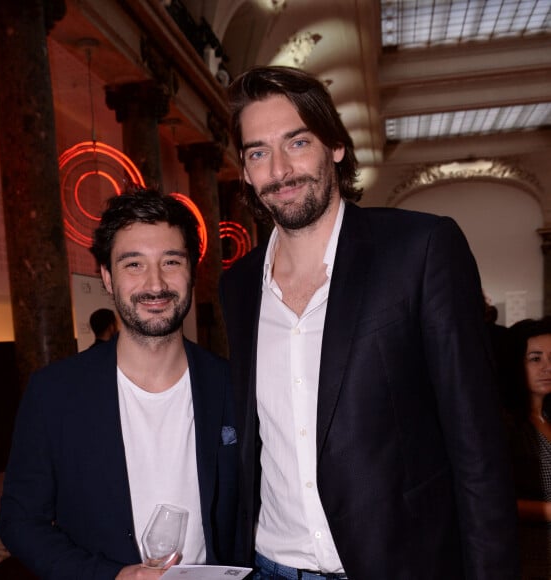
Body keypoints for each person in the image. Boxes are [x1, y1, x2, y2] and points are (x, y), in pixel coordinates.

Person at [220, 65, 519, 579]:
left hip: (399, 563)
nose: (280, 170)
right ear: (245, 171)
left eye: (297, 142)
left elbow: (478, 447)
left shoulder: (420, 250)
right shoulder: (239, 284)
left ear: (335, 145)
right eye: (258, 152)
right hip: (270, 563)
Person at [0, 188, 238, 579]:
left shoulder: (232, 385)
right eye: (134, 265)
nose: (155, 283)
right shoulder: (54, 393)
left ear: (192, 270)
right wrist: (109, 576)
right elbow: (20, 523)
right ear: (108, 278)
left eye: (171, 261)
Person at [505, 316, 551, 579]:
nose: (547, 367)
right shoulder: (506, 424)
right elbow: (494, 498)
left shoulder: (547, 415)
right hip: (532, 555)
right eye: (535, 359)